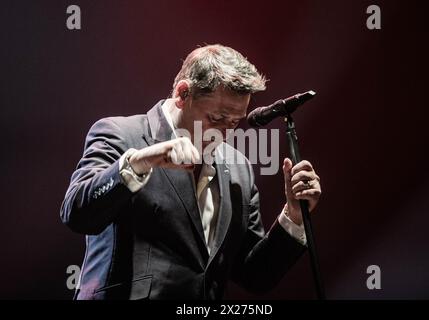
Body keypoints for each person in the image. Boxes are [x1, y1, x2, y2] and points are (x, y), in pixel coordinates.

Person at [60, 44, 322, 300]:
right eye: (217, 119)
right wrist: (140, 162)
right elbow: (78, 214)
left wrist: (294, 215)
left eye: (234, 122)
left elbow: (255, 276)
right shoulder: (121, 135)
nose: (225, 133)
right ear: (182, 93)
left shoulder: (239, 169)